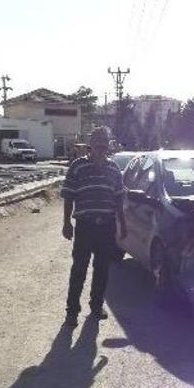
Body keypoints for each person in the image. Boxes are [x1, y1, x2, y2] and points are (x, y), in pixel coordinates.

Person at [61, 127, 127, 327]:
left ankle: (96, 306)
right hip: (84, 227)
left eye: (104, 141)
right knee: (79, 269)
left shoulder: (114, 169)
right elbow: (68, 195)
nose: (100, 144)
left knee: (102, 269)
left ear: (109, 144)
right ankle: (72, 312)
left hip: (106, 227)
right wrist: (66, 223)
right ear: (91, 143)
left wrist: (122, 224)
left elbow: (118, 199)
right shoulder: (78, 166)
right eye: (97, 140)